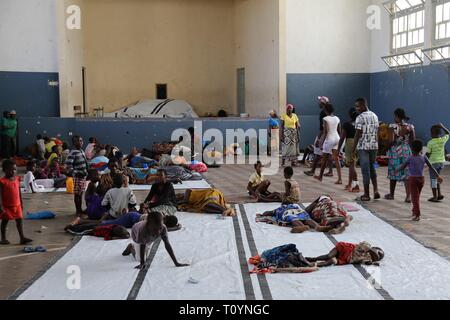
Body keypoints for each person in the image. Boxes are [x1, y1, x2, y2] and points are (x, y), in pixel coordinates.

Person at [122, 212, 189, 270]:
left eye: (160, 228)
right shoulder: (142, 230)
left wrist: (176, 263)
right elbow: (142, 245)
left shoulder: (163, 228)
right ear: (148, 225)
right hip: (137, 236)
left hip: (148, 237)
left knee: (146, 249)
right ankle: (131, 247)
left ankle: (144, 245)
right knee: (139, 259)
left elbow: (167, 244)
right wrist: (142, 263)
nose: (158, 231)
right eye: (155, 229)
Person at [397, 140, 443, 222]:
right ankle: (414, 211)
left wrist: (396, 170)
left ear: (411, 149)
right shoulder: (424, 157)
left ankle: (417, 215)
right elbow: (431, 166)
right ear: (421, 149)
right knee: (416, 197)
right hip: (421, 179)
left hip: (413, 180)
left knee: (414, 198)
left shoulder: (410, 158)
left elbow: (402, 167)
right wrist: (438, 175)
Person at [352, 98, 380, 202]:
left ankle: (366, 194)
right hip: (373, 146)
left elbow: (357, 134)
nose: (356, 108)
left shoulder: (360, 117)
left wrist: (353, 149)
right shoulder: (374, 115)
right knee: (372, 167)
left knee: (365, 170)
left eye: (358, 106)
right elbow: (377, 132)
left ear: (364, 105)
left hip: (363, 146)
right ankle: (376, 190)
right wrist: (377, 146)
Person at [385, 108, 415, 202]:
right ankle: (408, 196)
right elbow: (413, 141)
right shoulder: (410, 127)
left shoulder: (392, 126)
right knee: (406, 173)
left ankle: (391, 194)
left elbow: (390, 141)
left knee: (393, 172)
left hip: (395, 152)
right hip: (406, 151)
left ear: (397, 116)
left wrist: (386, 147)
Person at [0, 159, 32, 245]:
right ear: (4, 170)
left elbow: (19, 192)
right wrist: (1, 206)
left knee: (19, 220)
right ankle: (3, 238)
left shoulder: (17, 179)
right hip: (7, 206)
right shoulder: (2, 181)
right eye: (10, 169)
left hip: (17, 205)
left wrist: (21, 203)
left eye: (14, 169)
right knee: (4, 222)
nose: (13, 171)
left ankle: (22, 237)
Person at [304, 97, 333, 177]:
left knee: (317, 152)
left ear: (323, 103)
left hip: (324, 135)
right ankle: (330, 171)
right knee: (329, 154)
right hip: (331, 135)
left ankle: (312, 171)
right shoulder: (331, 113)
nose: (318, 103)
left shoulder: (323, 113)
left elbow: (322, 128)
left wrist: (319, 138)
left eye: (320, 102)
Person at [256, 204, 333, 234]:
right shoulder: (295, 206)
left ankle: (301, 226)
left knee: (293, 218)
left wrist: (262, 214)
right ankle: (317, 226)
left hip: (289, 213)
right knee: (306, 218)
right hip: (298, 211)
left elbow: (268, 212)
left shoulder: (279, 209)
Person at [314, 103, 343, 184]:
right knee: (336, 159)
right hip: (337, 138)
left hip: (329, 139)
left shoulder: (325, 118)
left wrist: (321, 142)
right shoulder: (337, 118)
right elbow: (339, 130)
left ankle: (320, 176)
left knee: (324, 159)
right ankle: (340, 179)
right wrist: (340, 141)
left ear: (325, 110)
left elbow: (325, 131)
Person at [306, 242, 384, 267]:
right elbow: (362, 245)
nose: (372, 256)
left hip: (345, 259)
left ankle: (313, 264)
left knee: (332, 261)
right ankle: (313, 258)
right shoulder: (367, 247)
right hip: (345, 249)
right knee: (329, 256)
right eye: (374, 254)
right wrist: (368, 250)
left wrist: (373, 263)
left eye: (375, 257)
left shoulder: (368, 259)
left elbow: (366, 262)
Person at [65, 136, 89, 216]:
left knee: (81, 193)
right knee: (77, 194)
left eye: (81, 141)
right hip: (78, 177)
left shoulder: (81, 151)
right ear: (74, 143)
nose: (80, 142)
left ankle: (80, 209)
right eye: (77, 141)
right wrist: (76, 173)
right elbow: (68, 166)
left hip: (83, 176)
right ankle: (78, 211)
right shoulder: (73, 153)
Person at [338, 107, 360, 193]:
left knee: (351, 166)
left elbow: (342, 137)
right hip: (358, 143)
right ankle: (350, 184)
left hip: (350, 143)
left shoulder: (347, 124)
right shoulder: (359, 124)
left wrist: (338, 148)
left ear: (350, 115)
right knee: (352, 165)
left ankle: (357, 185)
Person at [427, 123, 450, 202]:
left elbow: (428, 154)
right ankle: (439, 194)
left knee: (433, 180)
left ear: (432, 133)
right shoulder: (442, 140)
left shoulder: (430, 142)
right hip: (441, 163)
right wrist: (442, 126)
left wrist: (424, 159)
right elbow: (448, 133)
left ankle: (434, 197)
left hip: (433, 164)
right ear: (440, 133)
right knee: (437, 178)